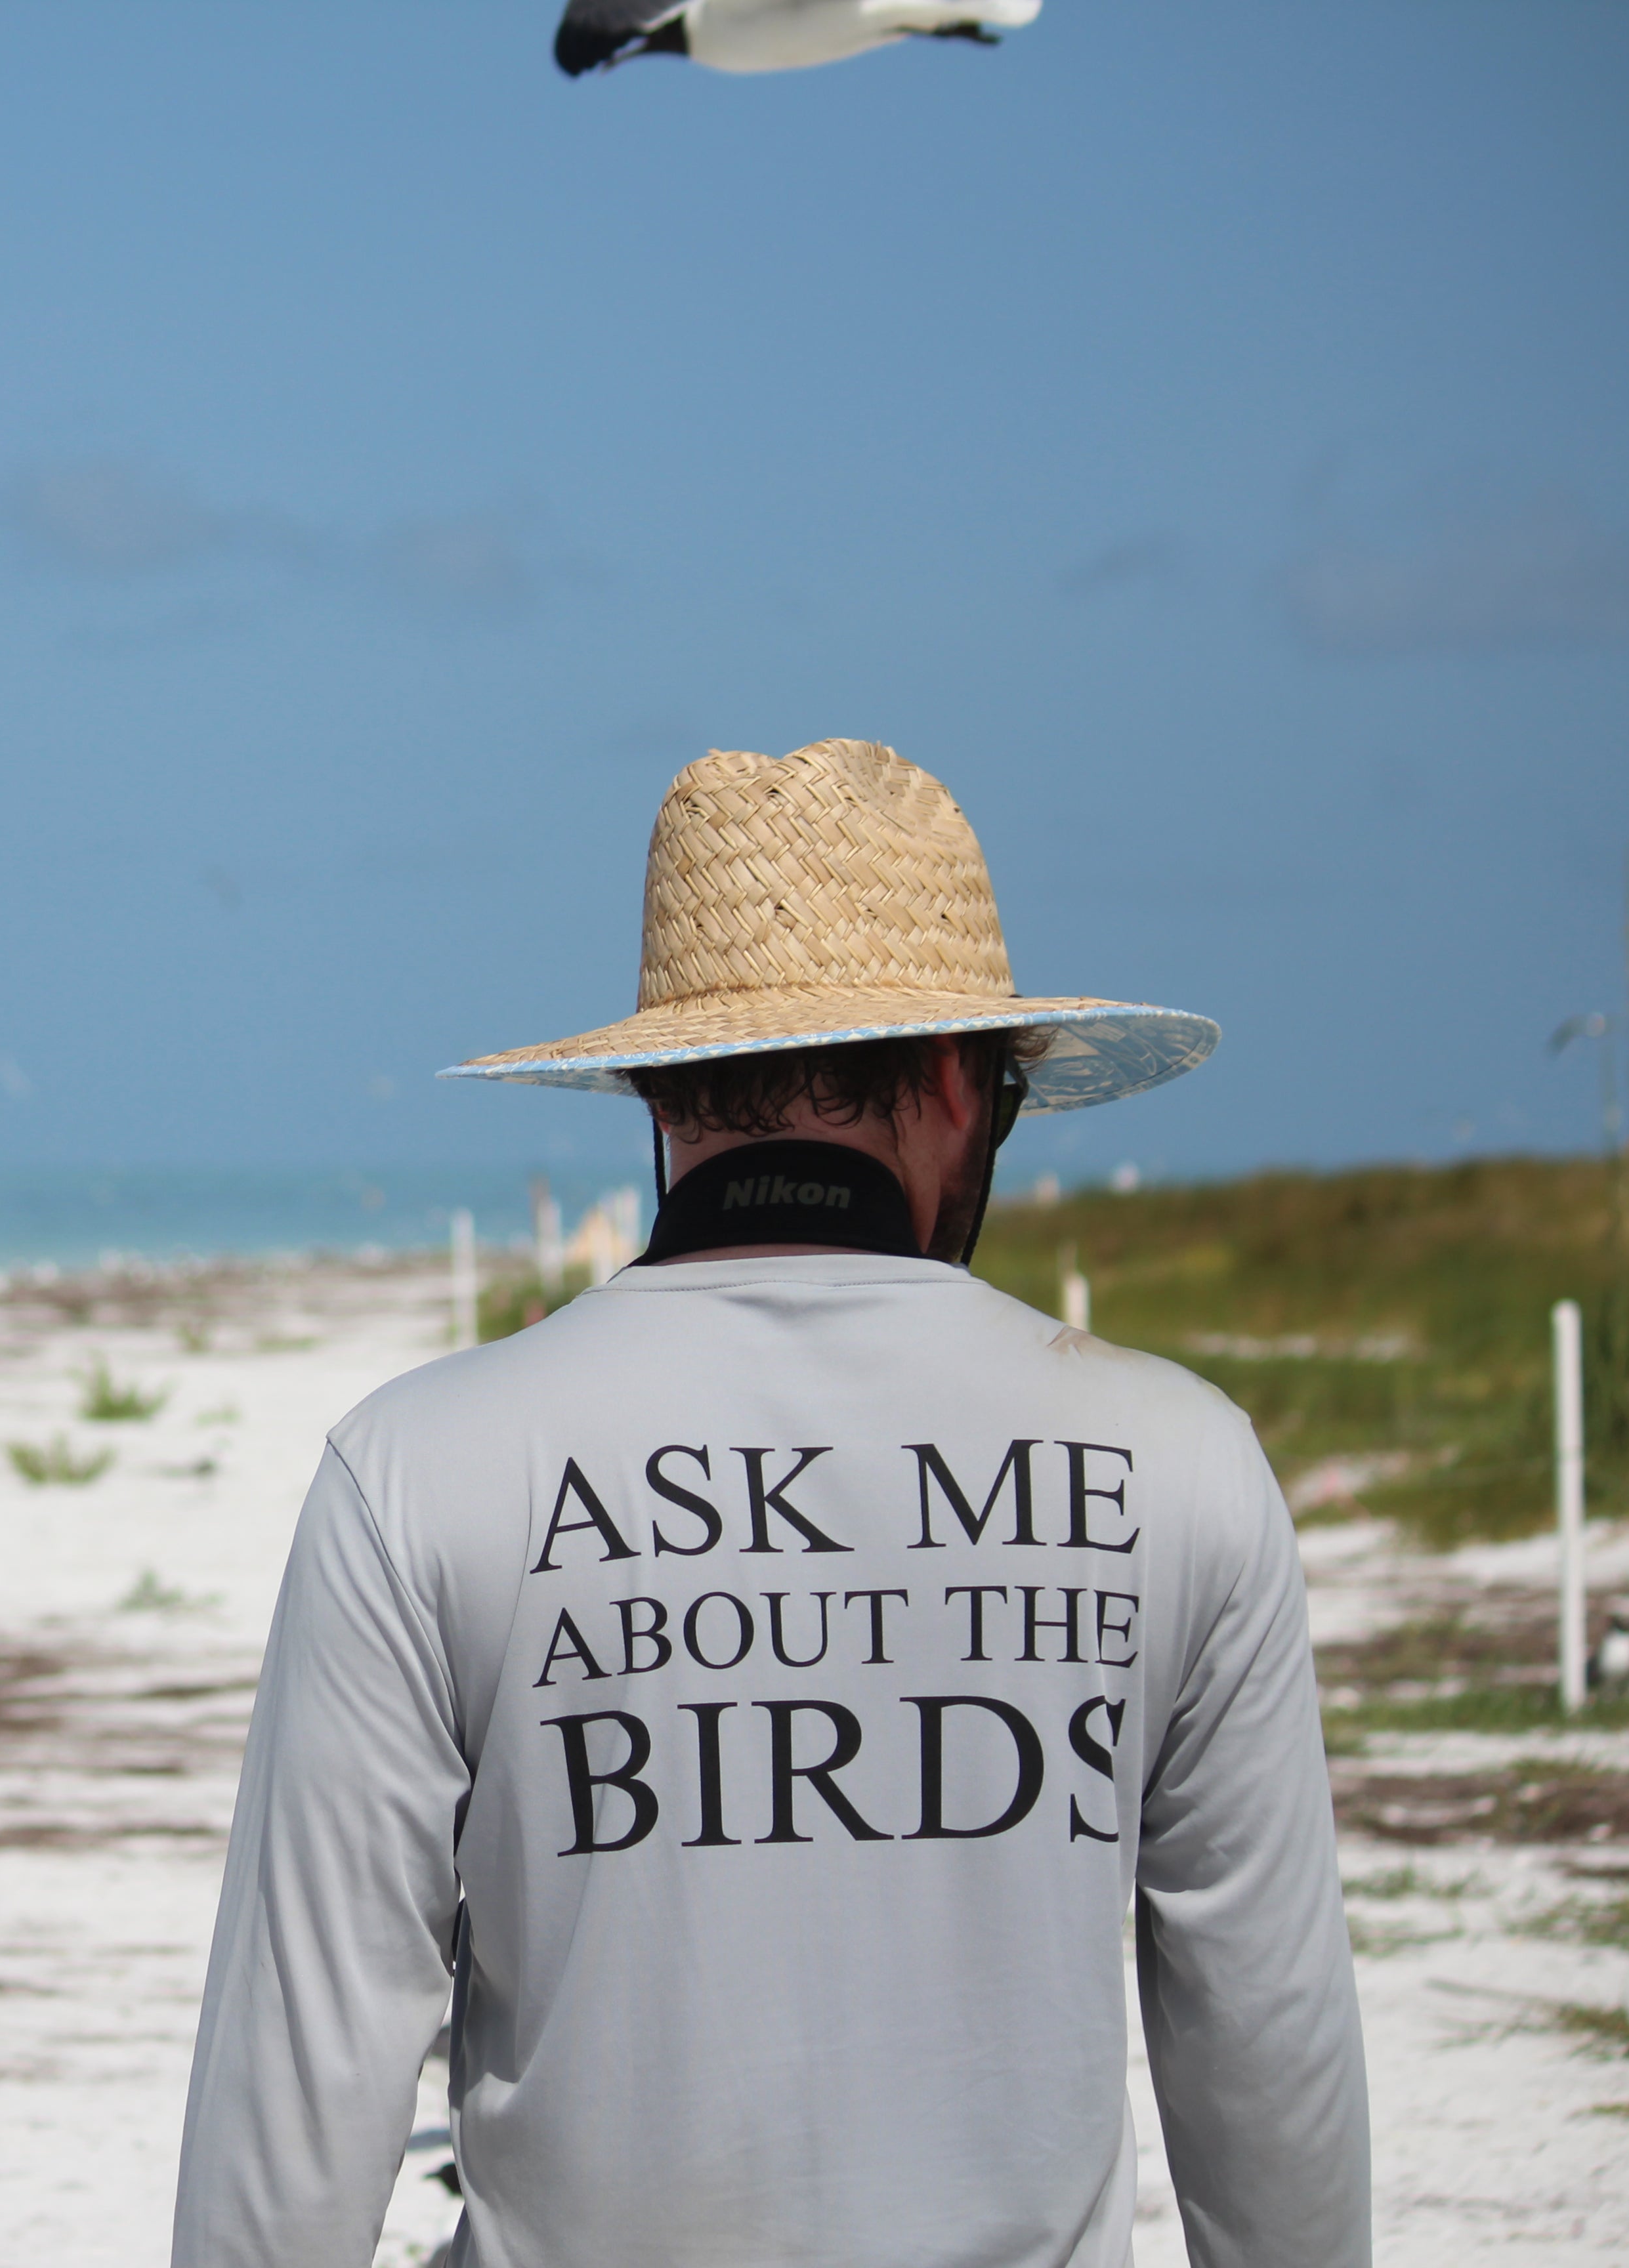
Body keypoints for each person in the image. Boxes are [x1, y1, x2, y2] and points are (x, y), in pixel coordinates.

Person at [173, 740, 1366, 2268]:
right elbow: (1269, 2072)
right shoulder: (1179, 1466)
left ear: (662, 1091)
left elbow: (297, 2101)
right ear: (956, 1084)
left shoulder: (419, 1472)